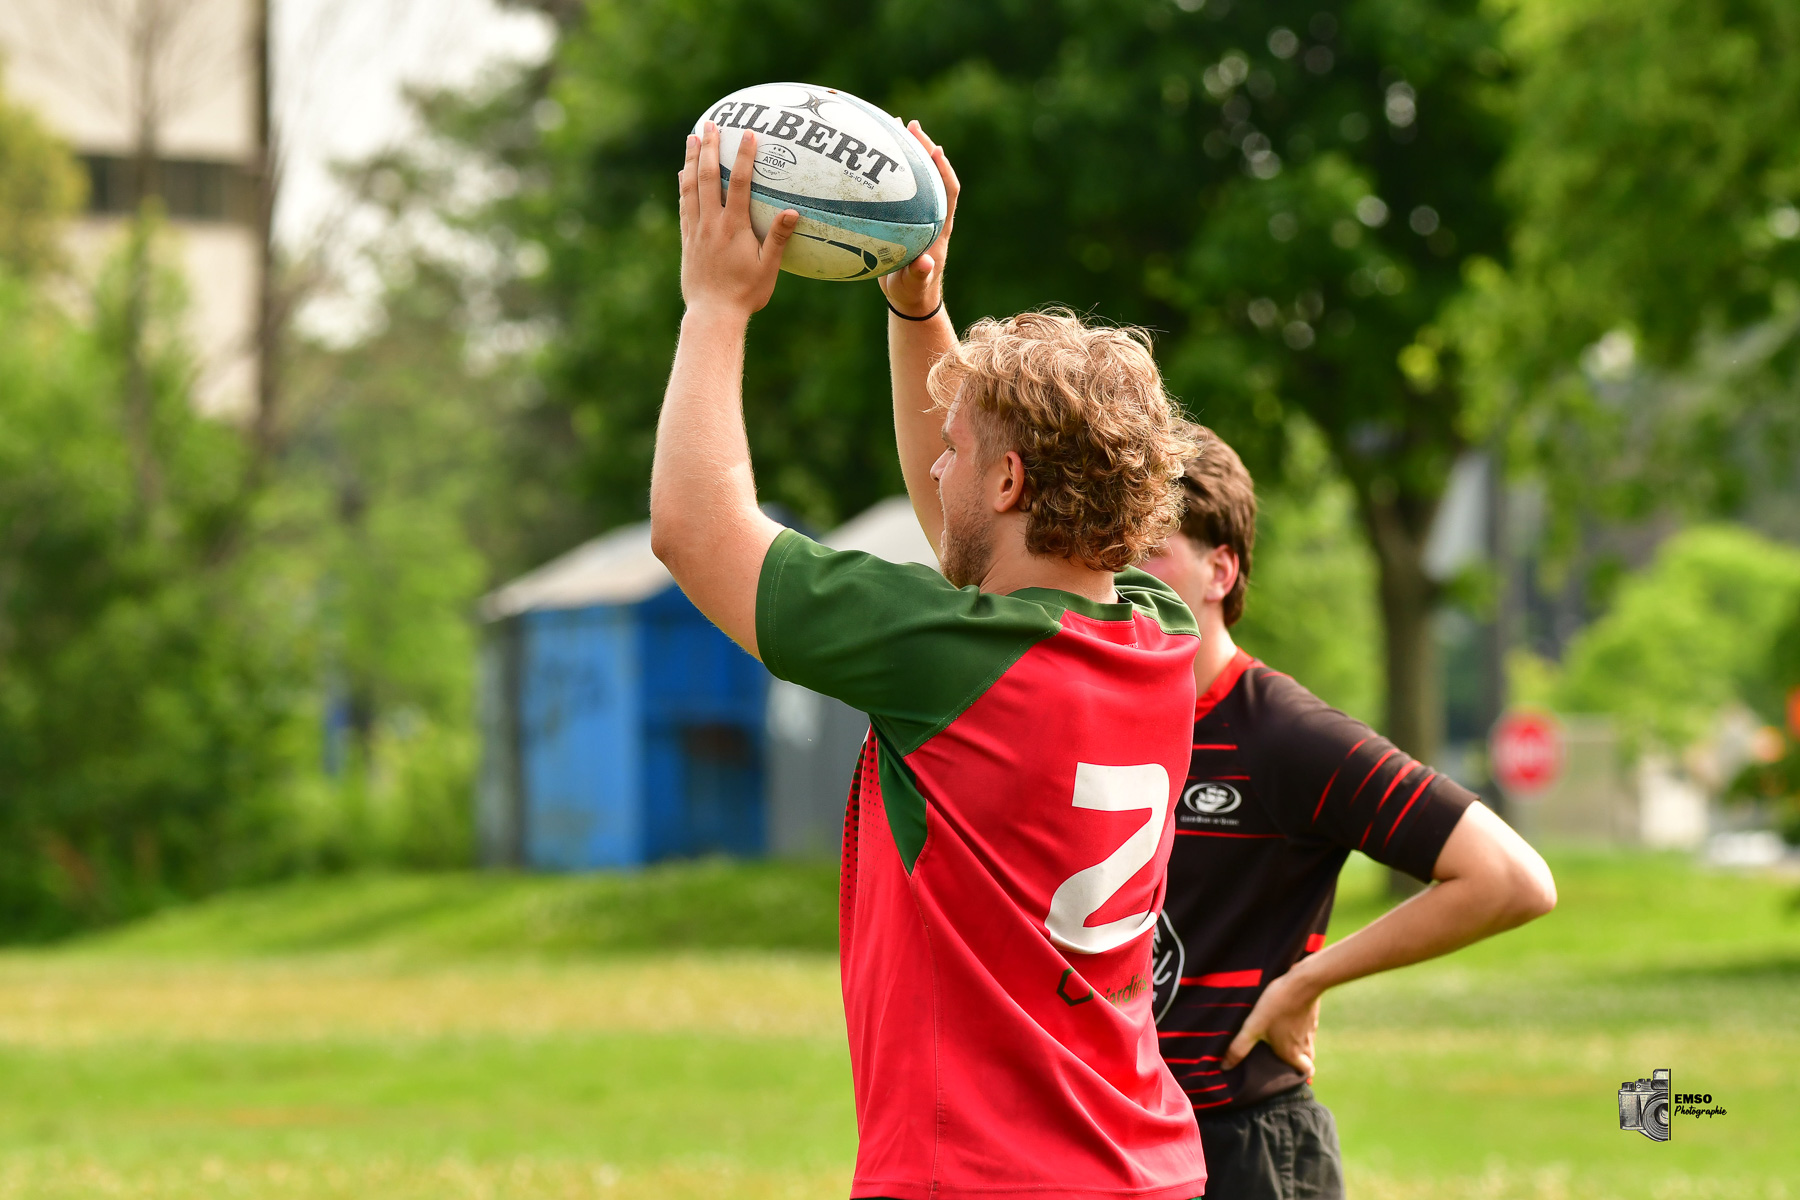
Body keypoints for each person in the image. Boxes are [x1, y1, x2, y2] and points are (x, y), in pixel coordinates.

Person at [652, 121, 1208, 1200]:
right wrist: (917, 309)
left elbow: (693, 528)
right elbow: (972, 537)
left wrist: (715, 307)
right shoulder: (1157, 633)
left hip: (985, 1179)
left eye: (957, 451)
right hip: (1144, 1164)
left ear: (1007, 484)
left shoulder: (952, 662)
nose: (936, 467)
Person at [1138, 431, 1559, 1200]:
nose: (1123, 577)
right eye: (1113, 552)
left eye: (1151, 552)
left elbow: (1510, 878)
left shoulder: (1282, 734)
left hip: (1246, 1152)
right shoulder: (1102, 721)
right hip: (1124, 1145)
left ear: (1220, 570)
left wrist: (1307, 980)